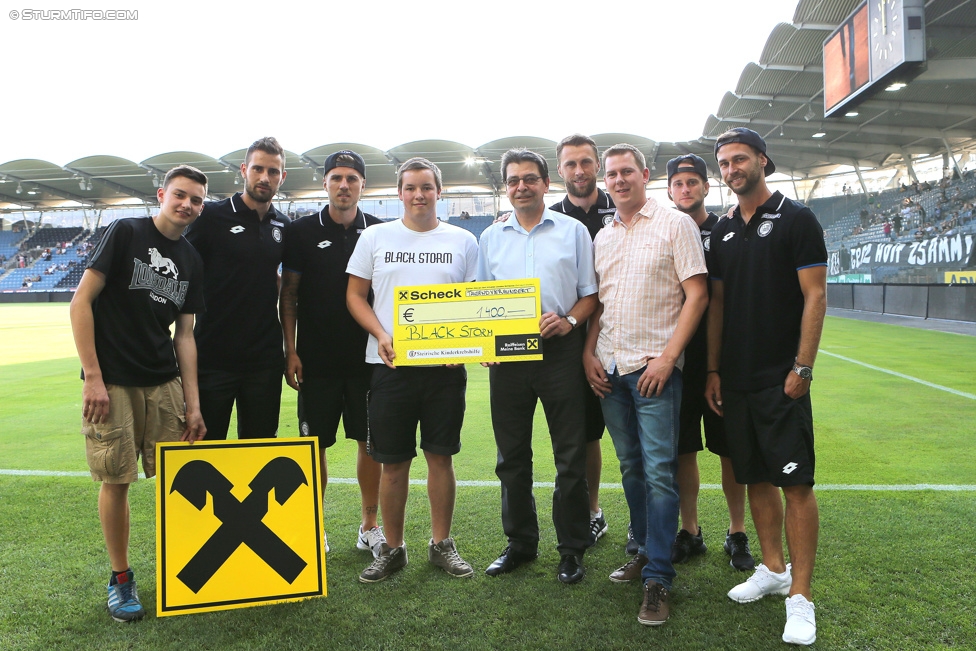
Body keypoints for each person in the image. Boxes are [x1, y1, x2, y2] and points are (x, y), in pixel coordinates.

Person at [69, 165, 209, 622]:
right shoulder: (125, 232)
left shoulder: (190, 259)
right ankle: (121, 578)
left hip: (163, 381)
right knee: (118, 479)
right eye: (180, 195)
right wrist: (93, 376)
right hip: (114, 382)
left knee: (178, 477)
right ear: (161, 194)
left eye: (196, 200)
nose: (187, 204)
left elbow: (184, 336)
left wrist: (193, 404)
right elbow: (81, 302)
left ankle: (186, 568)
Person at [706, 127, 827, 646]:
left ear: (762, 159)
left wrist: (802, 368)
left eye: (739, 159)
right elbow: (717, 305)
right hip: (734, 380)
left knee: (795, 484)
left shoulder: (797, 219)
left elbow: (816, 295)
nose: (731, 169)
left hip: (783, 378)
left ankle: (800, 596)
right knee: (755, 476)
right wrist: (712, 370)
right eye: (724, 163)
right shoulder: (723, 229)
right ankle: (772, 569)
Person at [584, 144, 708, 626]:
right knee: (631, 467)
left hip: (654, 369)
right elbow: (601, 304)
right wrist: (587, 353)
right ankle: (642, 549)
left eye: (626, 172)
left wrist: (669, 358)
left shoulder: (675, 223)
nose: (618, 180)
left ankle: (658, 575)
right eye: (610, 174)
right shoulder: (604, 235)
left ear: (644, 174)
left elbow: (696, 294)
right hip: (611, 369)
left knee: (659, 472)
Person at [346, 157, 479, 583]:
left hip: (444, 369)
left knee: (441, 457)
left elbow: (474, 302)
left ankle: (442, 545)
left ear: (440, 191)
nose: (418, 195)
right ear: (399, 192)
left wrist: (462, 343)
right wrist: (381, 335)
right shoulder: (375, 235)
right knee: (393, 462)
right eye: (410, 188)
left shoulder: (463, 241)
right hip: (390, 367)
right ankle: (394, 549)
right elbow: (354, 296)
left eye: (426, 187)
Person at [479, 148, 597, 584]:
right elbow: (481, 303)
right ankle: (521, 544)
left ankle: (572, 550)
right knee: (511, 456)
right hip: (508, 358)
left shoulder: (573, 231)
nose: (521, 186)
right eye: (513, 180)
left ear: (546, 184)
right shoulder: (489, 239)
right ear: (506, 187)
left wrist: (568, 321)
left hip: (561, 354)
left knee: (569, 456)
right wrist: (484, 342)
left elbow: (590, 295)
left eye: (530, 178)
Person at [280, 150, 385, 556]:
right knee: (314, 447)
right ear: (324, 183)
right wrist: (290, 349)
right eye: (337, 178)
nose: (344, 185)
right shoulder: (301, 231)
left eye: (352, 179)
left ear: (362, 185)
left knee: (370, 444)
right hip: (316, 359)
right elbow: (288, 294)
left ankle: (369, 525)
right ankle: (314, 527)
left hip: (367, 360)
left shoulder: (379, 230)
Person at [665, 154, 754, 572]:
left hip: (722, 359)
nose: (685, 189)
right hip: (677, 360)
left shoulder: (727, 229)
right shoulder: (663, 230)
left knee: (728, 448)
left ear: (706, 186)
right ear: (668, 190)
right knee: (683, 449)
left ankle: (737, 531)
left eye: (692, 182)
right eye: (678, 183)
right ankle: (691, 530)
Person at [184, 137, 290, 440]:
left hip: (265, 361)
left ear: (282, 177)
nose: (264, 177)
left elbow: (276, 279)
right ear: (244, 170)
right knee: (206, 450)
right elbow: (183, 269)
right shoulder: (212, 217)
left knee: (259, 449)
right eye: (258, 169)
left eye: (273, 171)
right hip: (213, 357)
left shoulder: (282, 225)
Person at [550, 133, 622, 550]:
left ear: (597, 165)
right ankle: (593, 511)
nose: (579, 171)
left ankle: (645, 521)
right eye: (570, 164)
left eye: (586, 163)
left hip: (628, 342)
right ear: (559, 171)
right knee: (587, 435)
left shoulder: (625, 208)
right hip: (574, 347)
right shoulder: (552, 216)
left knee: (638, 439)